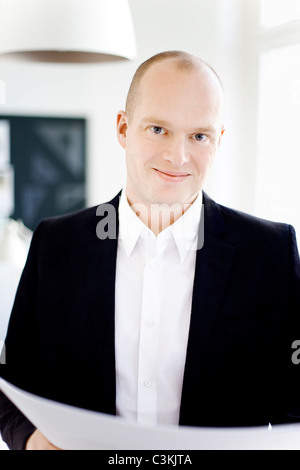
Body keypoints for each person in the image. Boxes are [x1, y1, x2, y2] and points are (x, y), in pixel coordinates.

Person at [0, 50, 300, 450]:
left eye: (199, 135)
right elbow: (12, 381)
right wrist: (31, 440)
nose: (178, 156)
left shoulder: (270, 252)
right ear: (123, 128)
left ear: (219, 139)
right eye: (158, 129)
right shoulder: (56, 244)